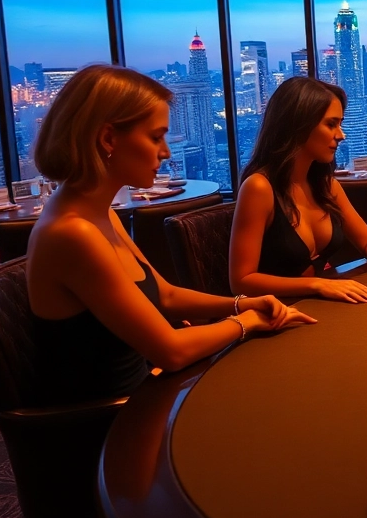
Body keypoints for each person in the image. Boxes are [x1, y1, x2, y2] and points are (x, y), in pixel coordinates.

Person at [27, 65, 314, 406]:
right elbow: (171, 351)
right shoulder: (72, 232)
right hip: (111, 425)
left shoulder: (98, 213)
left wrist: (243, 303)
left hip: (145, 393)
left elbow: (166, 297)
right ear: (108, 139)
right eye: (155, 137)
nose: (165, 151)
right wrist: (247, 321)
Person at [230, 76, 367, 300]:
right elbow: (241, 281)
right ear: (299, 125)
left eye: (340, 124)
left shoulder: (326, 185)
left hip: (318, 306)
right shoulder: (259, 188)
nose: (341, 135)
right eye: (331, 124)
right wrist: (316, 285)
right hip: (276, 317)